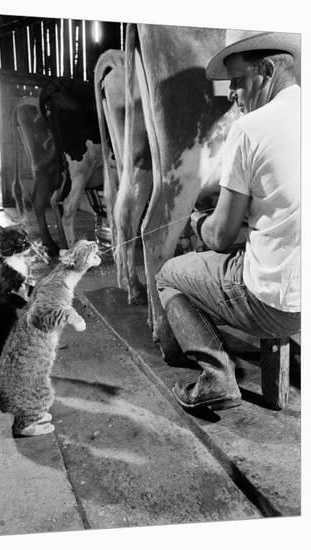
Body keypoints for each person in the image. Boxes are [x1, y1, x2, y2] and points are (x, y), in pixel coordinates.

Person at [155, 30, 301, 411]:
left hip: (277, 305)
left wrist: (198, 223)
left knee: (169, 274)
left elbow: (220, 237)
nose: (232, 95)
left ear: (266, 69)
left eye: (237, 81)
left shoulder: (250, 128)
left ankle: (215, 374)